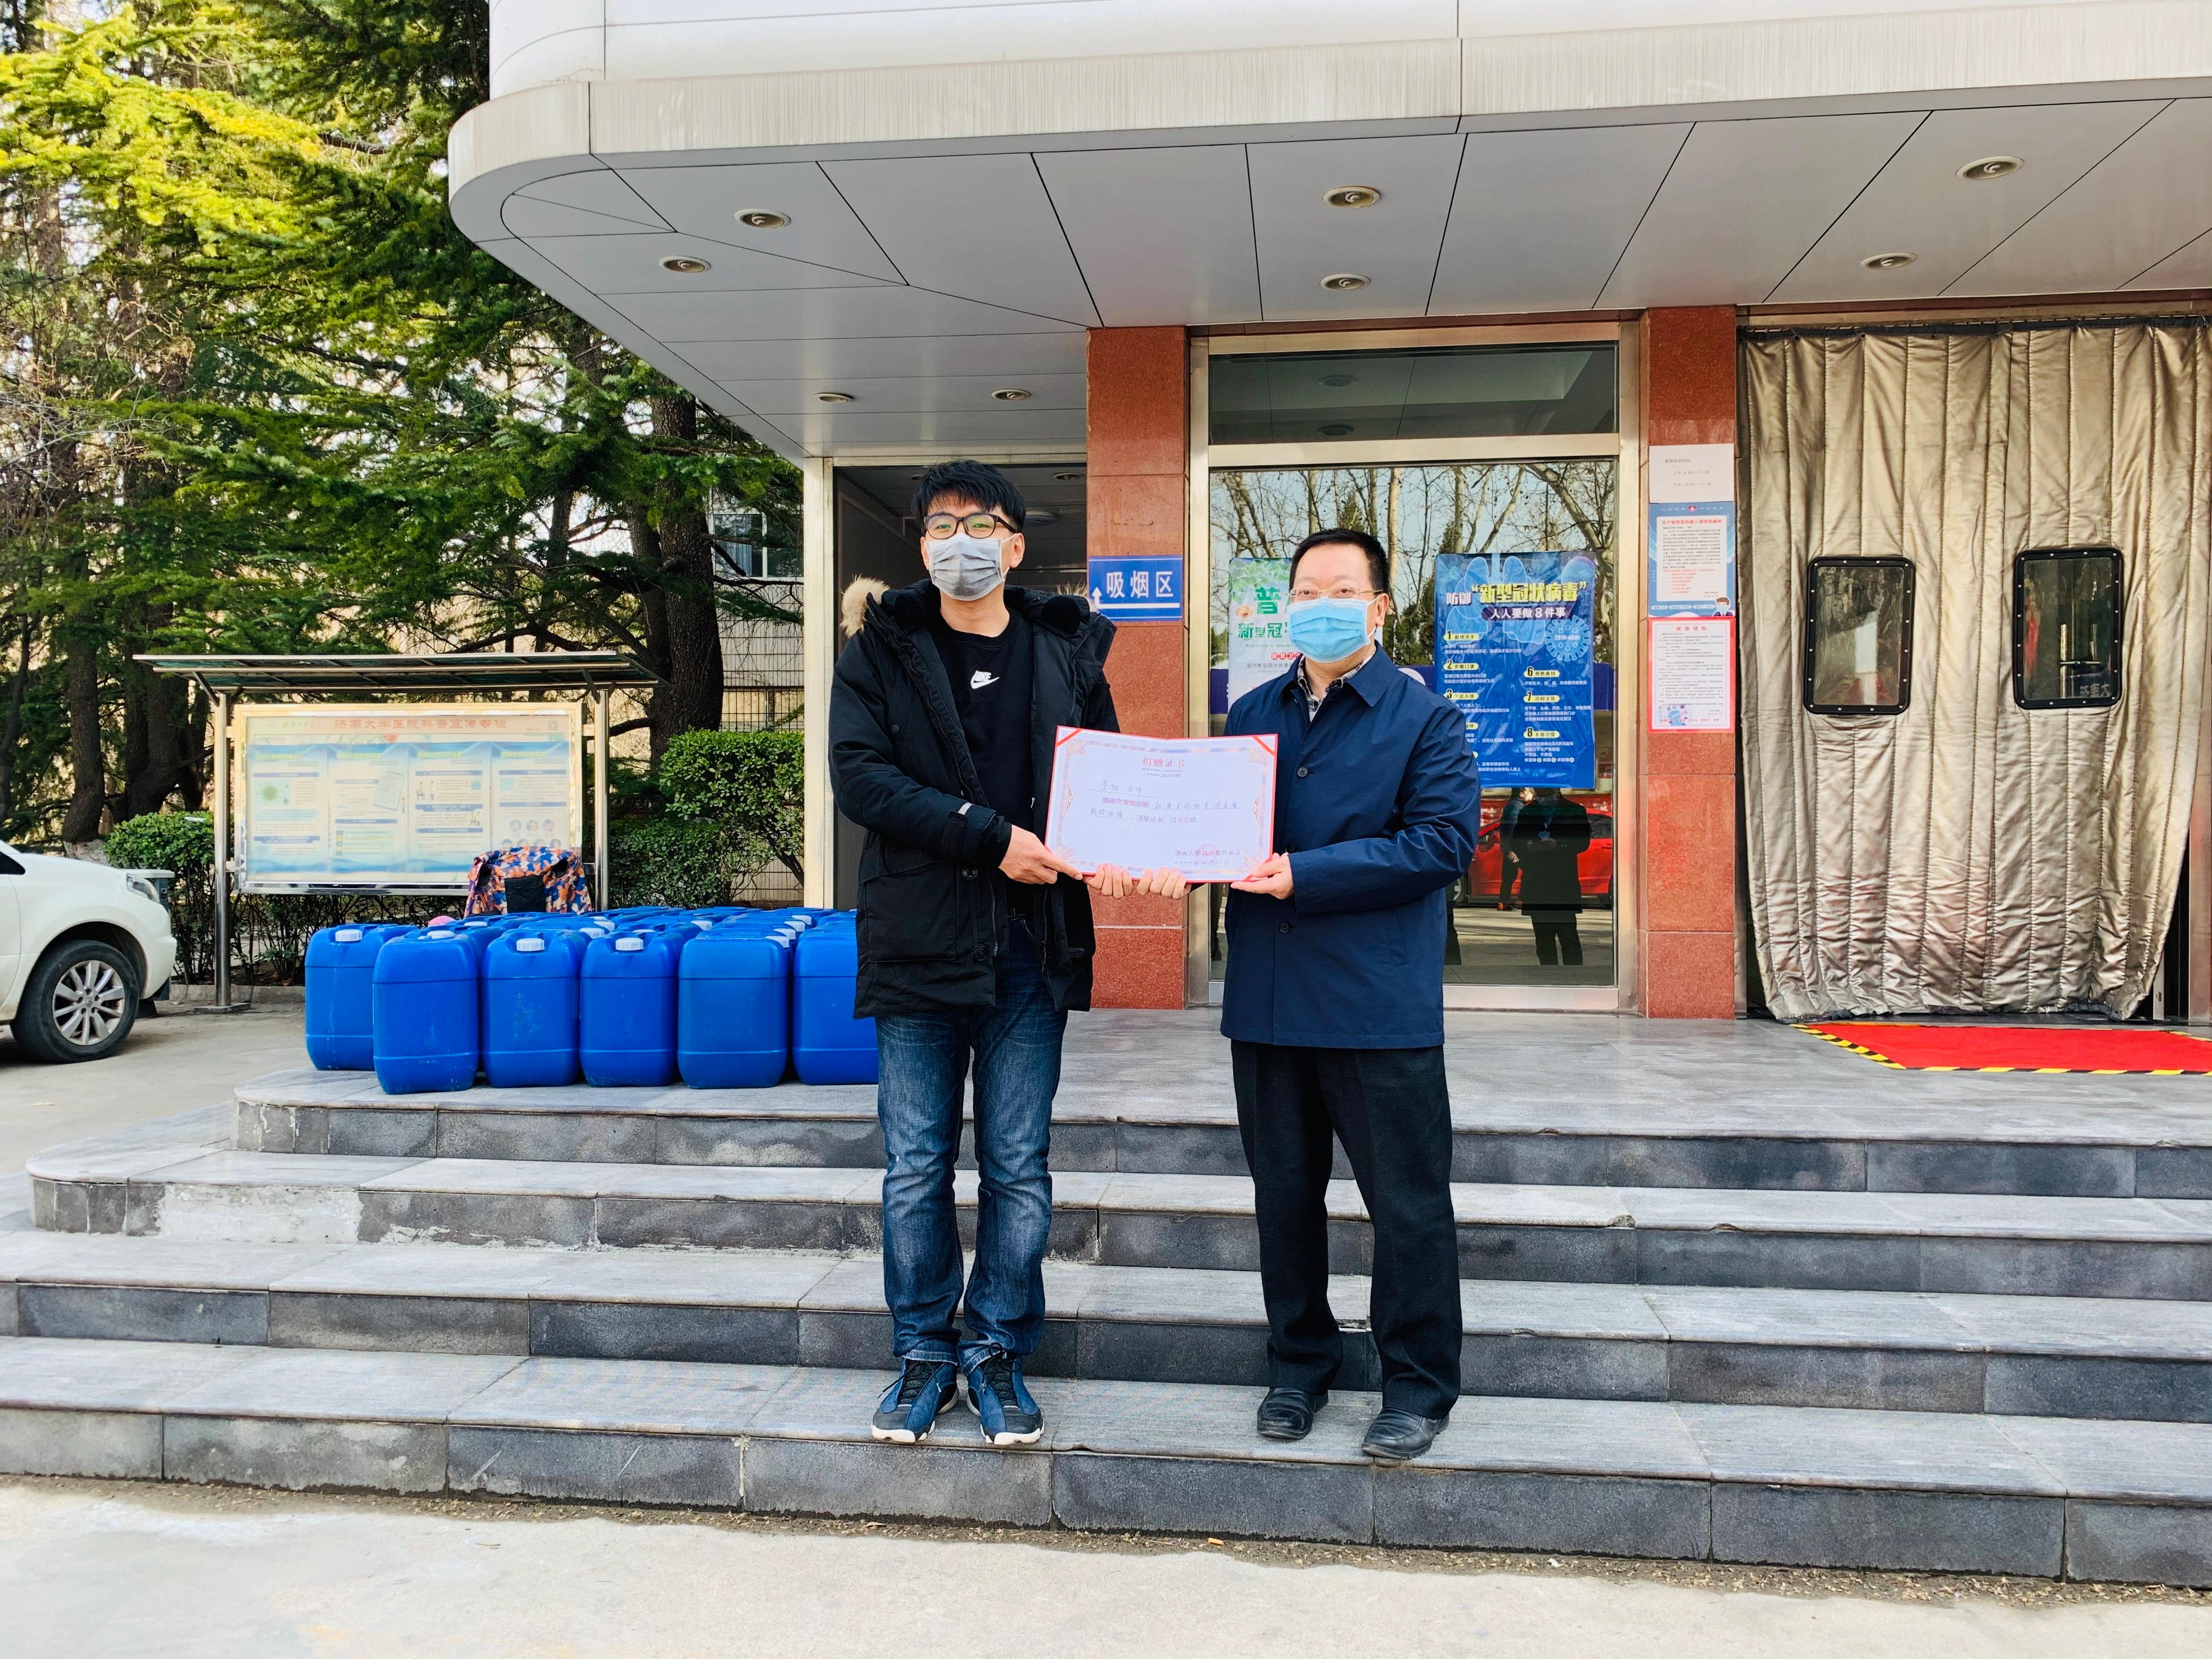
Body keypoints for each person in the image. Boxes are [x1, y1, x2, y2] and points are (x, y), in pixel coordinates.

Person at [828, 459, 1177, 1449]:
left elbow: (1108, 783)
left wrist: (1152, 854)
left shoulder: (1064, 651)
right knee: (915, 1165)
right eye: (941, 526)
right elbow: (861, 780)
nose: (961, 542)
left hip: (1032, 948)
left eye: (980, 524)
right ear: (921, 544)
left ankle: (994, 1347)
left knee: (1018, 1165)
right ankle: (921, 1349)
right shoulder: (879, 650)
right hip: (919, 945)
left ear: (1016, 545)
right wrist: (990, 838)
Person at [1218, 527, 1482, 1465]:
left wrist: (1306, 873)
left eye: (1341, 590)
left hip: (1377, 1005)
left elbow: (1441, 842)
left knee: (1407, 1204)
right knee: (1283, 1199)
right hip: (1269, 998)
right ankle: (1298, 1366)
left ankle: (1417, 1385)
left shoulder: (1426, 719)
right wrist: (1160, 856)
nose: (1319, 604)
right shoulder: (1250, 712)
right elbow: (1219, 830)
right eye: (1304, 590)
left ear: (1379, 607)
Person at [1506, 788, 1592, 967]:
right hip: (1537, 883)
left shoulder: (1574, 811)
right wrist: (1529, 845)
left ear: (1557, 790)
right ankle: (1548, 975)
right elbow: (1516, 841)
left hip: (1563, 883)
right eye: (1539, 792)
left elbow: (1583, 842)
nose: (1542, 796)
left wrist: (1559, 845)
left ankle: (1574, 977)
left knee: (1569, 937)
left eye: (1546, 792)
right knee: (1543, 940)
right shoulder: (1528, 812)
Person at [1495, 785, 1534, 910]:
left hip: (1510, 848)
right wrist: (1511, 850)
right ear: (1521, 793)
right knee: (1529, 872)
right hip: (1518, 848)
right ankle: (1521, 900)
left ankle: (1503, 902)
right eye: (1528, 791)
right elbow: (1513, 828)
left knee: (1509, 876)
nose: (1531, 793)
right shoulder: (1517, 807)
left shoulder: (1511, 805)